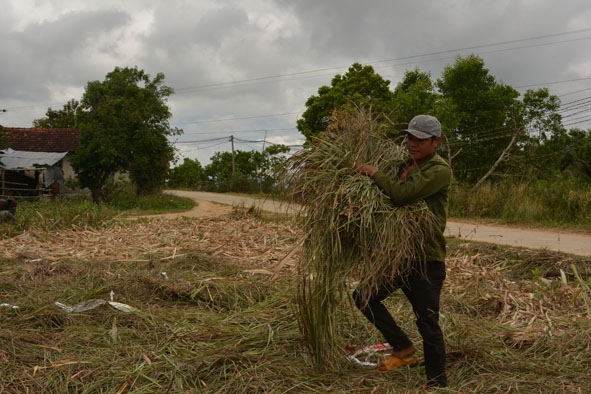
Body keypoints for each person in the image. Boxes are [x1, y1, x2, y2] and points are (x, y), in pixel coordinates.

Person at [353, 114, 451, 388]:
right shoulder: (402, 165)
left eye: (419, 139)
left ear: (436, 141)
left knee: (427, 323)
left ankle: (436, 383)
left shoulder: (439, 170)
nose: (412, 143)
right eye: (409, 137)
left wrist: (374, 173)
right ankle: (403, 347)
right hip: (400, 257)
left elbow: (401, 195)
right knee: (364, 296)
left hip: (426, 261)